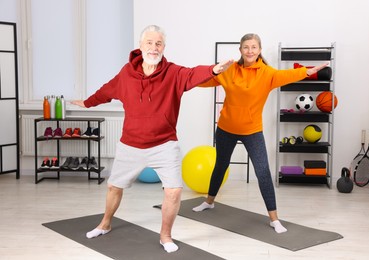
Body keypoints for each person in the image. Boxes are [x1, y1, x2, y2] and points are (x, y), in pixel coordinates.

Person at [71, 25, 233, 253]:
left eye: (158, 44)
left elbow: (192, 73)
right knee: (114, 187)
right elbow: (106, 91)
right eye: (149, 42)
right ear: (140, 45)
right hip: (130, 144)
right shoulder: (126, 73)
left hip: (164, 143)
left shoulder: (173, 72)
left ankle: (165, 236)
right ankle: (105, 224)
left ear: (163, 47)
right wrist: (87, 103)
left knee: (174, 191)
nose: (153, 48)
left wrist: (213, 70)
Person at [192, 33, 328, 234]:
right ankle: (209, 202)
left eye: (253, 47)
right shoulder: (230, 71)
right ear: (240, 50)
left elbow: (288, 75)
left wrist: (309, 71)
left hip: (251, 131)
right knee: (220, 165)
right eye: (246, 47)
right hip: (225, 129)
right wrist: (191, 78)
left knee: (263, 171)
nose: (249, 51)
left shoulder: (267, 74)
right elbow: (204, 81)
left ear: (259, 50)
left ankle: (274, 219)